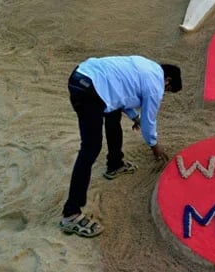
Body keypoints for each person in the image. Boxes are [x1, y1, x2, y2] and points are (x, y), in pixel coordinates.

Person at [59, 55, 182, 237]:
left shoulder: (145, 66)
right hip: (90, 90)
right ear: (167, 80)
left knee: (113, 114)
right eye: (168, 89)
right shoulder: (156, 84)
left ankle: (115, 164)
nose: (164, 92)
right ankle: (71, 214)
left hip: (83, 75)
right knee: (90, 148)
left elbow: (120, 95)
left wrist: (134, 116)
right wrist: (154, 145)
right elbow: (149, 121)